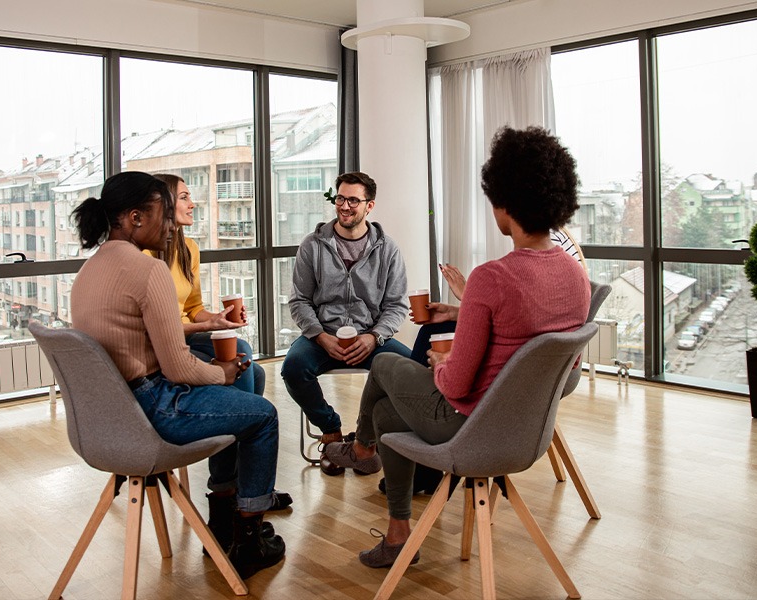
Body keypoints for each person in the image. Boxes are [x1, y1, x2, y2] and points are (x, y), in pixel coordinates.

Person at [323, 126, 591, 568]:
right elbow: (532, 340)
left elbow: (457, 384)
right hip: (524, 431)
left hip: (465, 426)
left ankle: (363, 449)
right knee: (389, 416)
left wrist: (438, 361)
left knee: (387, 362)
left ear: (503, 203)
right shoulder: (574, 274)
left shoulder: (492, 277)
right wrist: (466, 314)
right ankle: (398, 535)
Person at [69, 171, 285, 579]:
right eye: (163, 214)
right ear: (134, 217)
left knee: (245, 384)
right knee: (263, 413)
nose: (170, 224)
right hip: (154, 408)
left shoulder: (90, 270)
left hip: (113, 418)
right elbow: (179, 369)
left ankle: (224, 516)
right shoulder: (147, 271)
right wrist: (223, 374)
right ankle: (248, 537)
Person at [148, 173, 289, 511]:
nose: (192, 203)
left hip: (185, 337)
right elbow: (160, 328)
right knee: (247, 364)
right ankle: (233, 486)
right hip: (160, 349)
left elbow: (192, 308)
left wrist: (216, 320)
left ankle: (230, 485)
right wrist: (205, 327)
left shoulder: (188, 248)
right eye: (183, 197)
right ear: (164, 204)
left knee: (251, 368)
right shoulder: (145, 257)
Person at [281, 171, 412, 476]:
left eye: (354, 200)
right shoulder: (312, 245)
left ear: (370, 206)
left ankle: (365, 442)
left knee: (410, 371)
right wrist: (319, 336)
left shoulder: (388, 249)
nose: (345, 205)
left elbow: (396, 305)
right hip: (323, 336)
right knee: (293, 368)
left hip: (370, 337)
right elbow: (299, 300)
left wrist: (375, 337)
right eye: (341, 198)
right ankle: (331, 432)